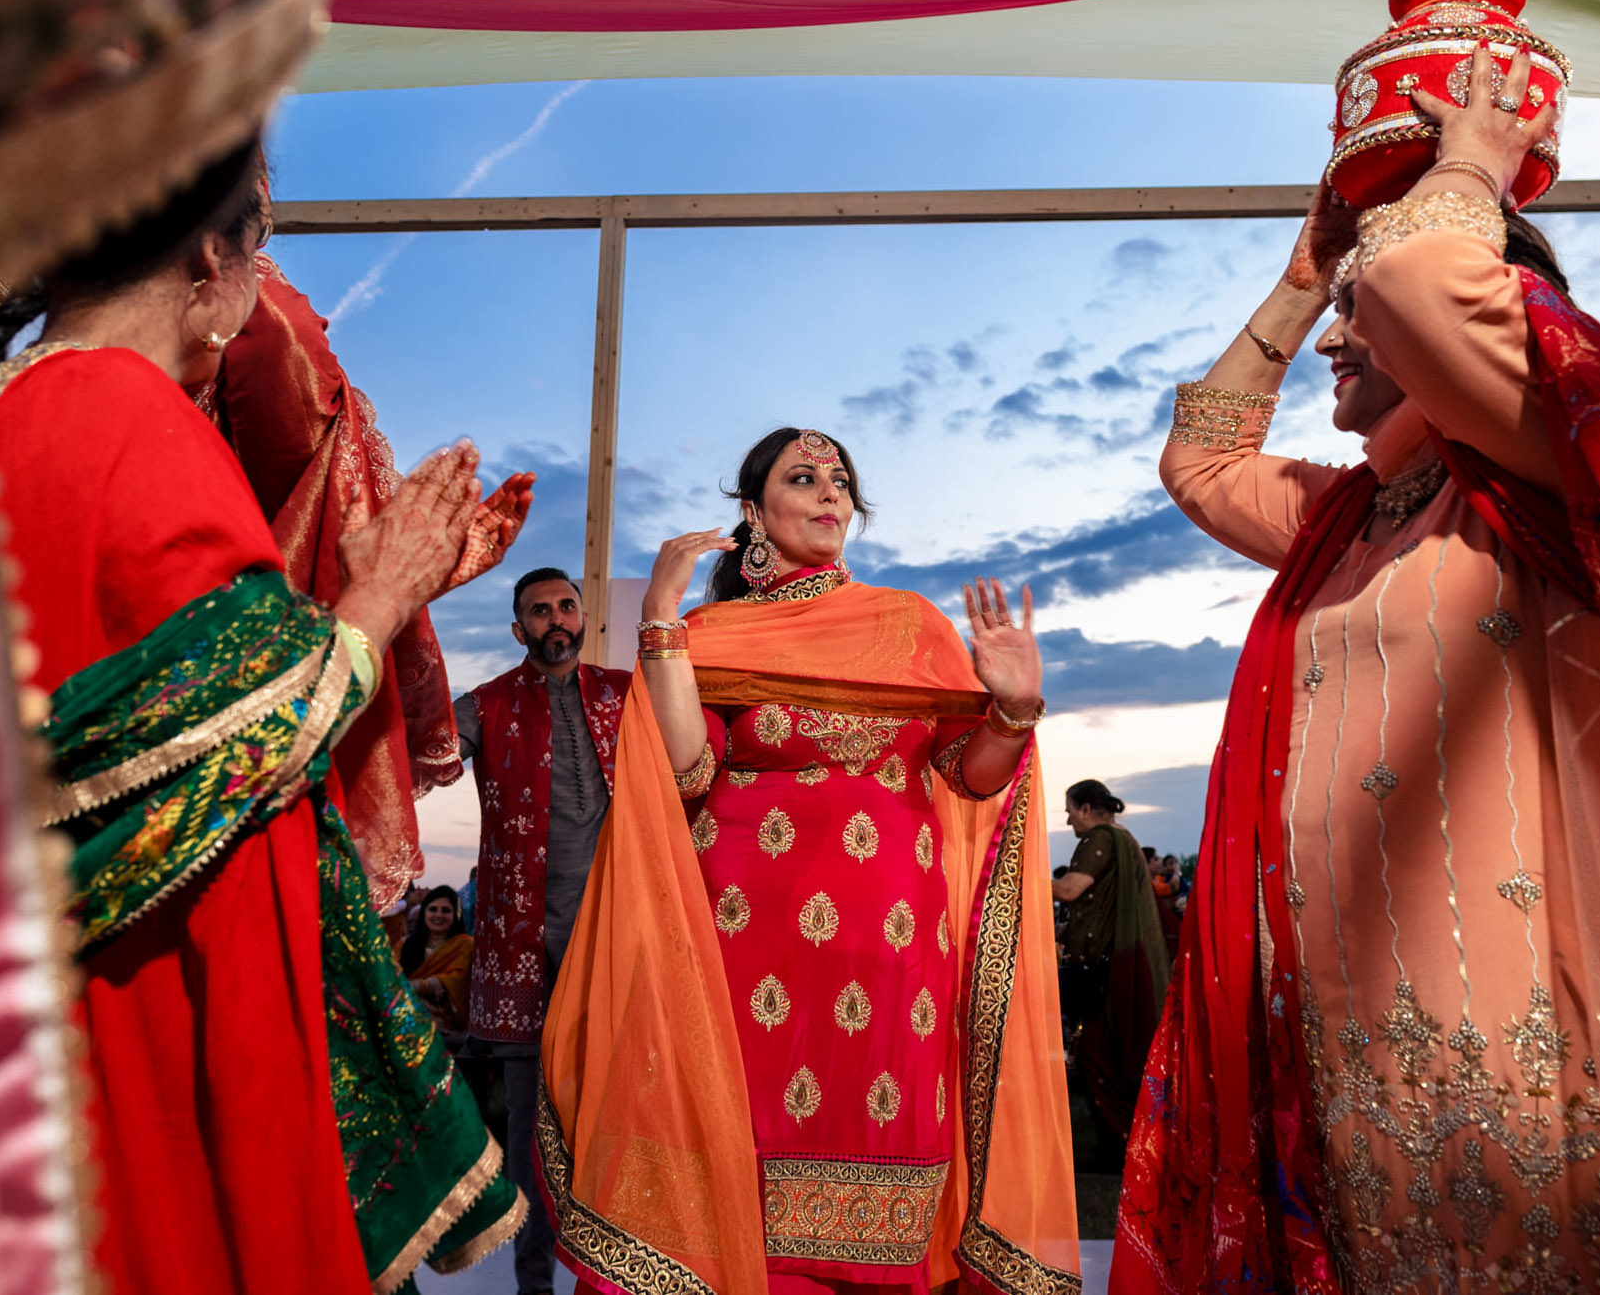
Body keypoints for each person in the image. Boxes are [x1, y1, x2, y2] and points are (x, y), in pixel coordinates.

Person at [1116, 46, 1600, 1294]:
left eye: (1360, 317)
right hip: (1349, 1010)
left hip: (1520, 1002)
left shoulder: (1530, 466)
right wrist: (1302, 281)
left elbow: (1413, 276)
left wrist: (1467, 162)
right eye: (1342, 315)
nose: (1345, 339)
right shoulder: (1344, 519)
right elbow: (1197, 459)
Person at [0, 139, 524, 1295]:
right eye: (262, 249)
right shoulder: (132, 408)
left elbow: (154, 702)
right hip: (160, 967)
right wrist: (381, 594)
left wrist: (356, 599)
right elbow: (252, 734)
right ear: (214, 257)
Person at [539, 427, 1078, 1295]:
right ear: (754, 512)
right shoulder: (714, 633)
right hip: (744, 946)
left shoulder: (908, 626)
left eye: (841, 480)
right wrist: (662, 628)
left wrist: (1013, 711)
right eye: (803, 478)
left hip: (893, 948)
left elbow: (967, 778)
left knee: (885, 1182)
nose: (831, 493)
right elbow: (684, 772)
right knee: (737, 1171)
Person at [210, 253, 532, 910]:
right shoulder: (263, 339)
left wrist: (412, 573)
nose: (321, 320)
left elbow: (306, 563)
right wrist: (390, 587)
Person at [454, 565, 629, 1295]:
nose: (556, 620)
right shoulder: (487, 705)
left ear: (583, 615)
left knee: (621, 1111)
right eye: (539, 612)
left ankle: (616, 1272)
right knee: (529, 1124)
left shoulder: (626, 695)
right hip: (523, 940)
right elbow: (421, 755)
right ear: (517, 627)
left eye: (566, 607)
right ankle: (534, 1284)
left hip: (618, 936)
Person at [1051, 781, 1170, 1154]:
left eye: (1070, 810)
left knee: (1097, 1056)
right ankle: (1128, 1141)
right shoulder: (1125, 838)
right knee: (1104, 1052)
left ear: (1086, 808)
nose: (1069, 819)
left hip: (1101, 969)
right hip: (1110, 964)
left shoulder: (1099, 839)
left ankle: (1124, 1144)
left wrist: (1016, 876)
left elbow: (1070, 890)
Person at [401, 885, 475, 1040]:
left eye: (446, 910)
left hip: (445, 1020)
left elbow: (458, 980)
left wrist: (414, 987)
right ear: (424, 913)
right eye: (433, 909)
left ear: (457, 915)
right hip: (405, 1011)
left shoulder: (465, 945)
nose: (438, 915)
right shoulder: (405, 945)